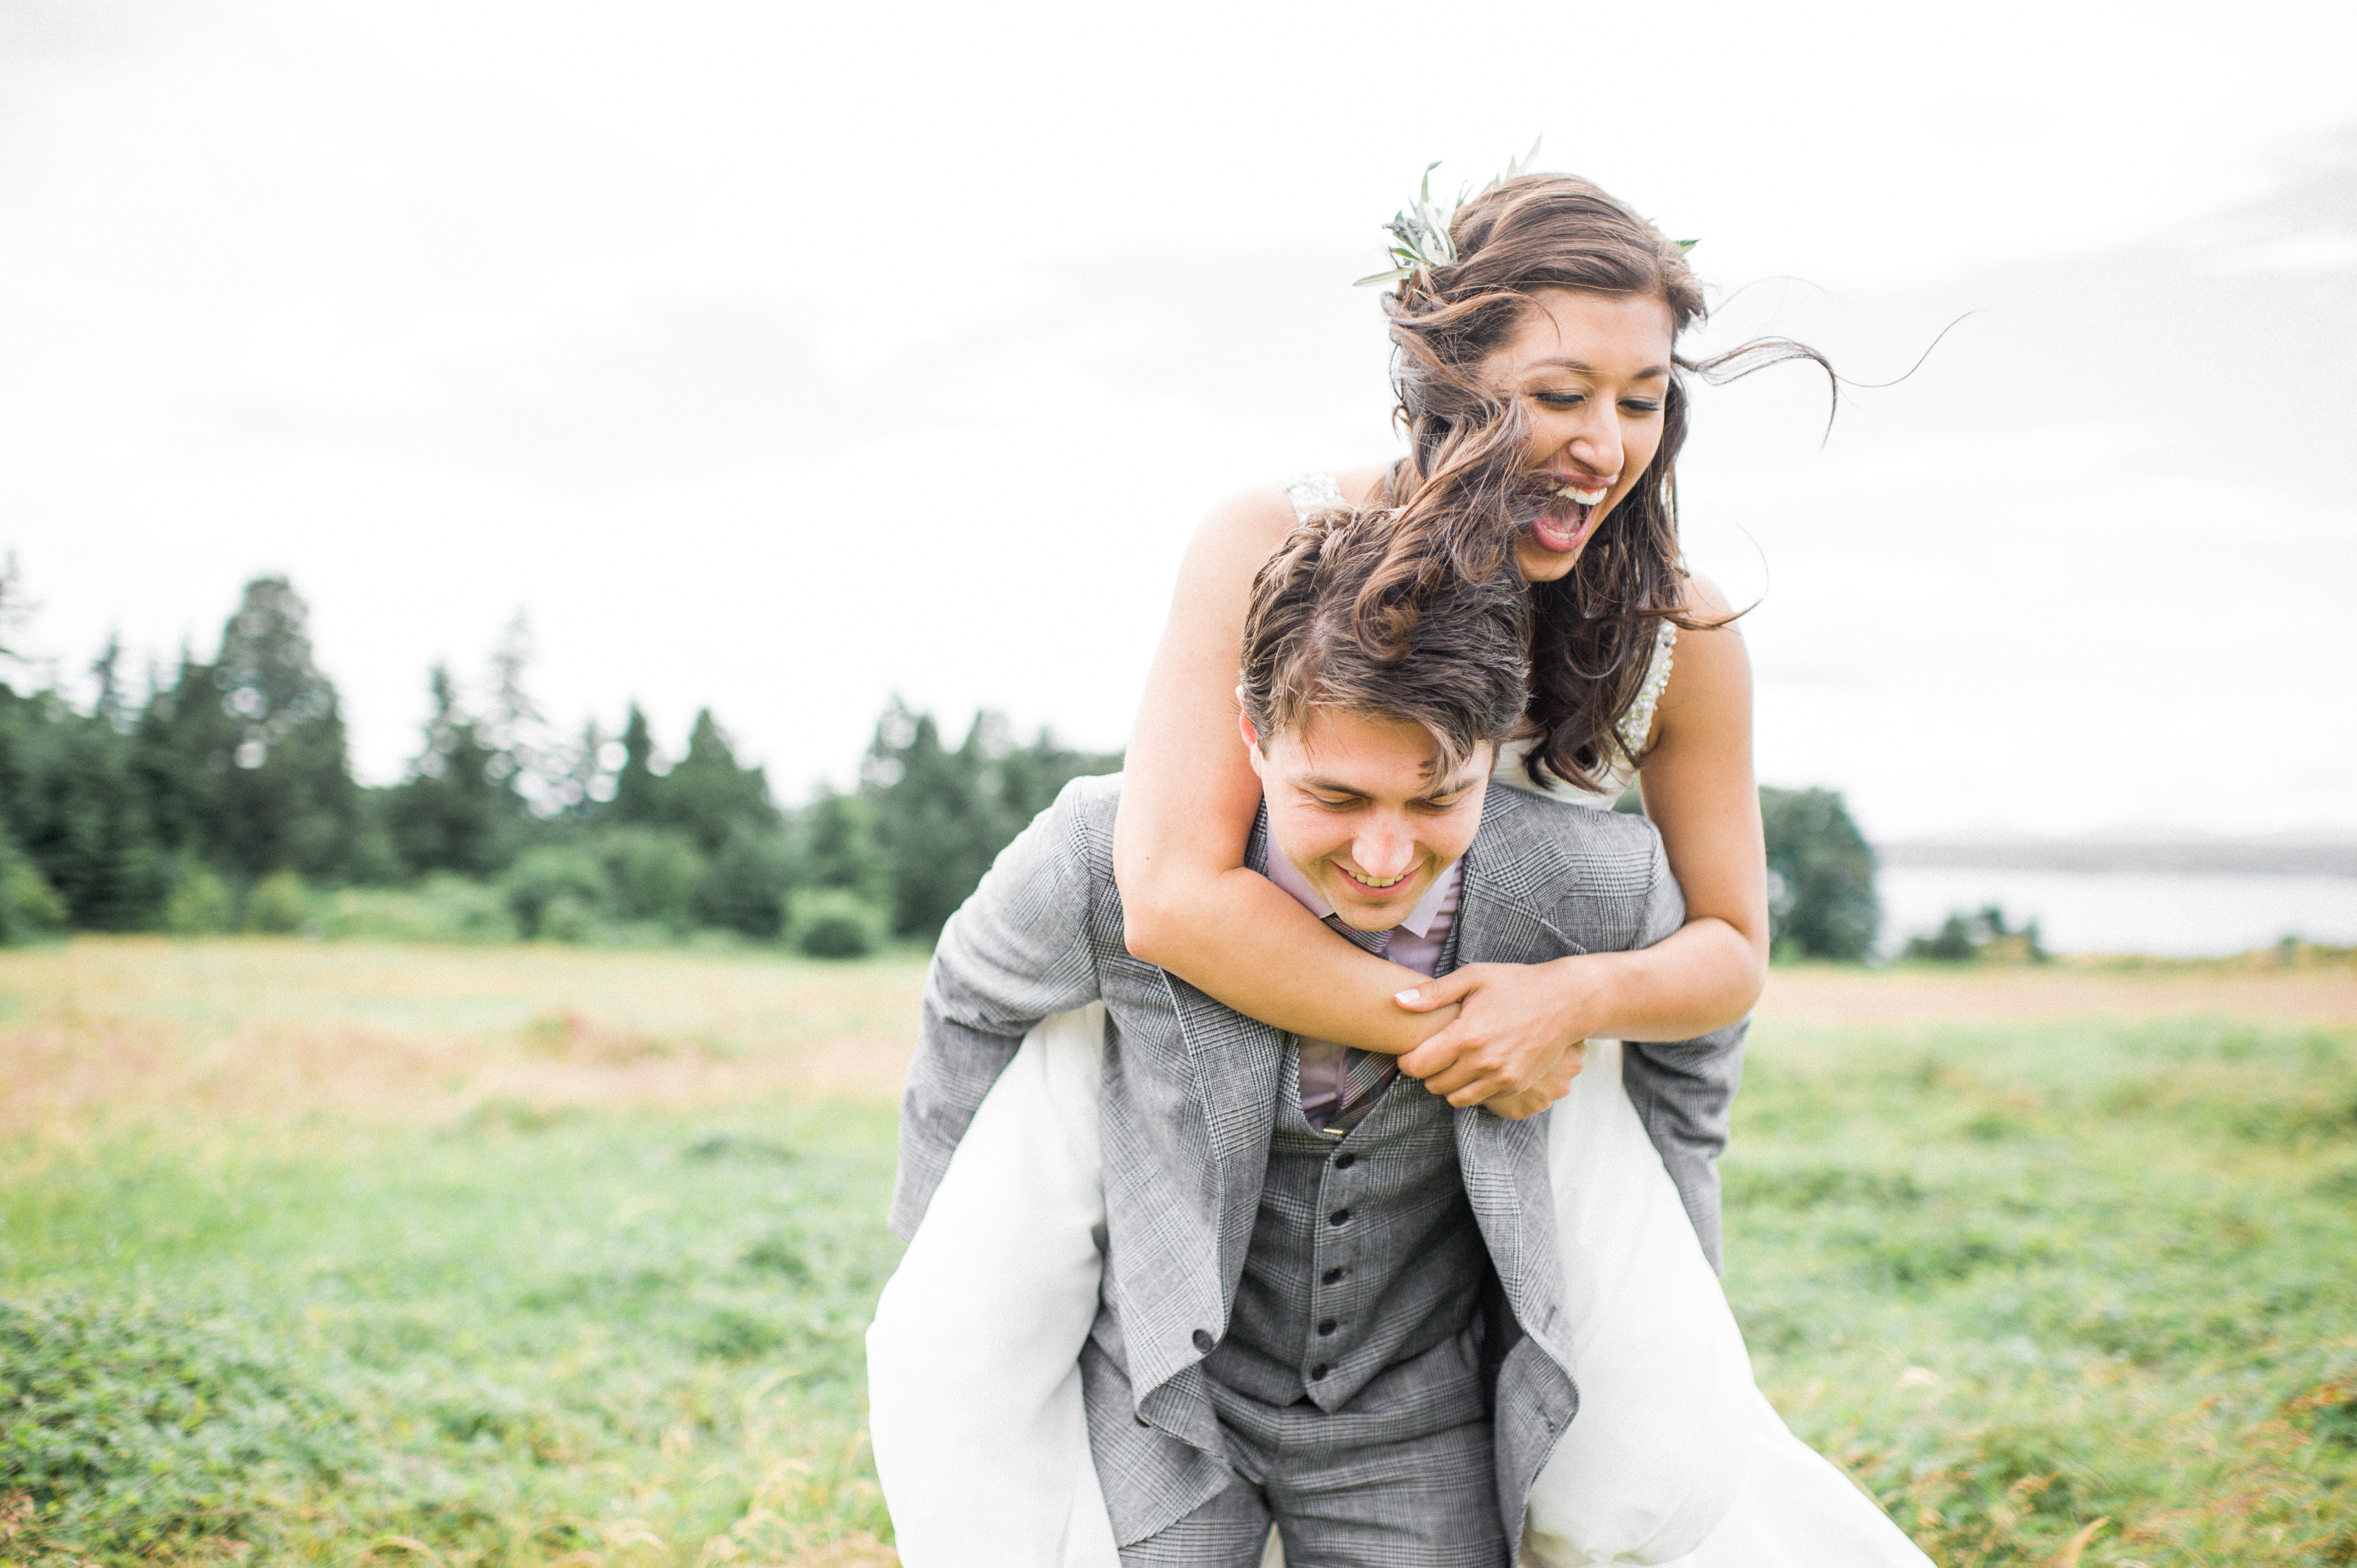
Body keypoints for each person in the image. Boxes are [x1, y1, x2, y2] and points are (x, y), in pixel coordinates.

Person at [871, 509, 1753, 1564]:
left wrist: (1676, 1298)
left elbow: (1699, 1033)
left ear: (1495, 749)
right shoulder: (1099, 858)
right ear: (1254, 735)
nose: (1384, 854)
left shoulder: (1592, 883)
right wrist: (947, 1281)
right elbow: (969, 998)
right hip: (1163, 1392)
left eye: (1437, 799)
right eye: (1334, 797)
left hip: (1420, 1408)